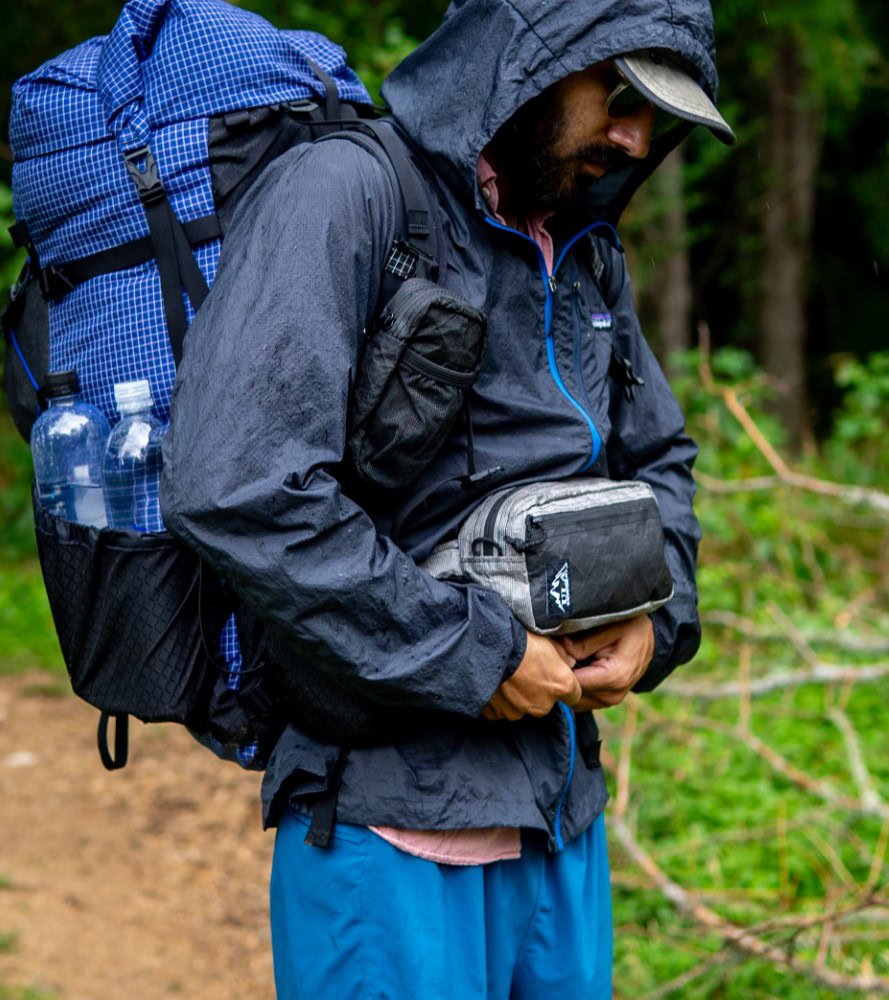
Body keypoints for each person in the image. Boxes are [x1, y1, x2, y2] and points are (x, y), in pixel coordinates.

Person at [161, 0, 734, 996]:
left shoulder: (583, 248)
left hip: (559, 818)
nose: (638, 138)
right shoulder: (346, 194)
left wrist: (656, 625)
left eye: (661, 116)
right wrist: (479, 655)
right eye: (621, 97)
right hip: (384, 830)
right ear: (528, 62)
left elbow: (662, 458)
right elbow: (237, 486)